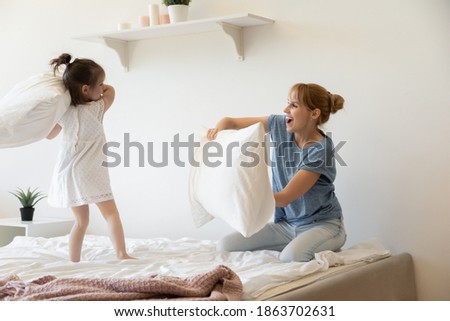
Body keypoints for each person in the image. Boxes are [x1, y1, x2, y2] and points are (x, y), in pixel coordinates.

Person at [207, 83, 347, 262]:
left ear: (314, 113)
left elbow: (285, 197)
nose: (285, 109)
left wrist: (244, 195)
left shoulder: (321, 150)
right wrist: (218, 130)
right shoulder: (280, 125)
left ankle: (324, 240)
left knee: (292, 256)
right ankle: (299, 242)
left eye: (294, 105)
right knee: (225, 245)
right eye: (288, 103)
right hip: (287, 226)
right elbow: (231, 122)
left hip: (323, 225)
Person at [47, 53, 133, 262]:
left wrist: (63, 102)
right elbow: (112, 91)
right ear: (86, 89)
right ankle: (121, 254)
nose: (103, 87)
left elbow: (49, 134)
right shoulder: (97, 108)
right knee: (111, 214)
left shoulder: (64, 113)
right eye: (100, 83)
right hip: (92, 172)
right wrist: (102, 88)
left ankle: (73, 260)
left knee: (80, 223)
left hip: (70, 173)